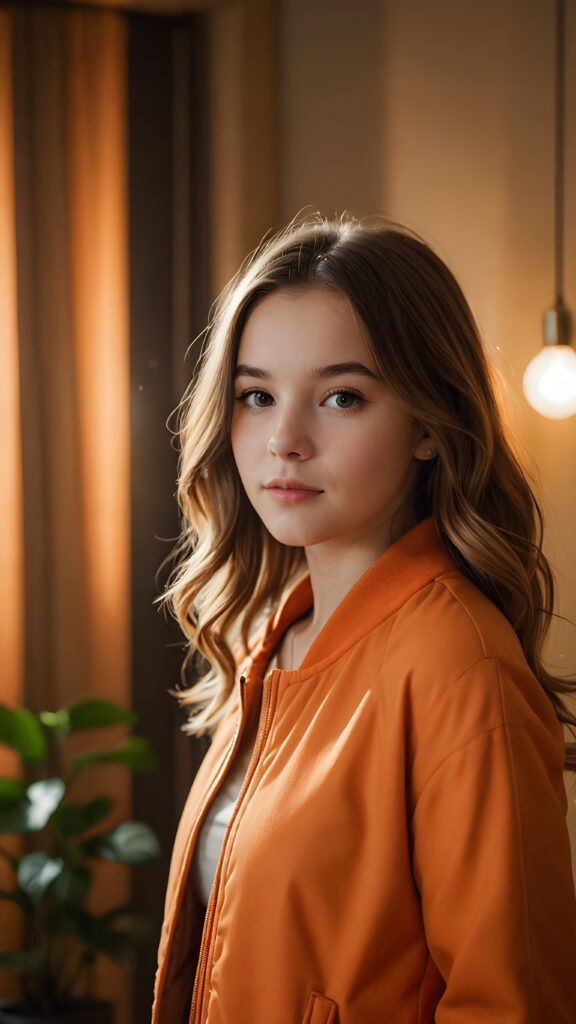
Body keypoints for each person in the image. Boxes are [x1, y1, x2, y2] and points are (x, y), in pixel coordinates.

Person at [151, 215, 576, 1024]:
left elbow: (512, 1005)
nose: (284, 440)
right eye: (256, 396)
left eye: (341, 397)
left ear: (428, 423)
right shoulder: (276, 637)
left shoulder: (460, 666)